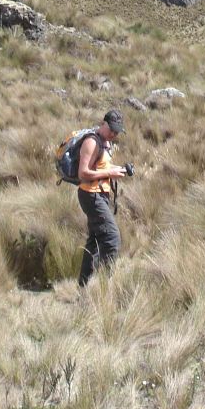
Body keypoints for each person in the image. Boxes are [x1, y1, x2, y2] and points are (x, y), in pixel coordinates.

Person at [77, 109, 130, 287]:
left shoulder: (105, 143)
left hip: (100, 194)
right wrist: (109, 172)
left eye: (117, 131)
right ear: (104, 123)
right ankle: (102, 286)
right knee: (112, 238)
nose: (114, 134)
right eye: (112, 129)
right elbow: (83, 173)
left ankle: (84, 286)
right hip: (90, 195)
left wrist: (119, 170)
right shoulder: (92, 142)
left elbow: (100, 166)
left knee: (95, 240)